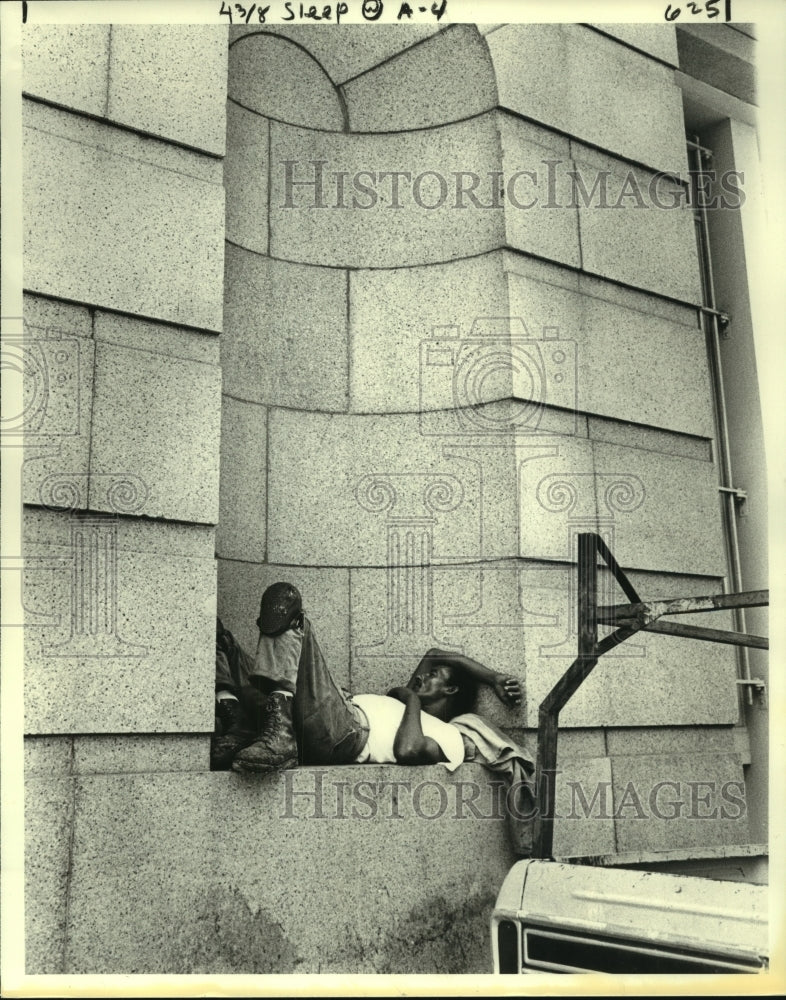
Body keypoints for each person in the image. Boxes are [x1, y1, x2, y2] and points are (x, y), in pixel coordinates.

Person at [211, 581, 524, 776]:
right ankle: (239, 720)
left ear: (451, 689)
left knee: (285, 601)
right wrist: (493, 677)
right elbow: (434, 652)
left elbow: (409, 750)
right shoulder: (407, 706)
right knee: (219, 638)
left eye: (433, 677)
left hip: (344, 731)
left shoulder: (450, 736)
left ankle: (279, 735)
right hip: (309, 718)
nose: (422, 676)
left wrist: (411, 697)